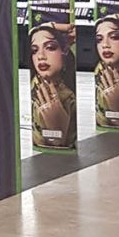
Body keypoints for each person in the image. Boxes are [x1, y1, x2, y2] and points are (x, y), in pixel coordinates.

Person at [29, 20, 77, 149]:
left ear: (64, 51)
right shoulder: (35, 84)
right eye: (34, 50)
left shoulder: (68, 98)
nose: (40, 56)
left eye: (50, 47)